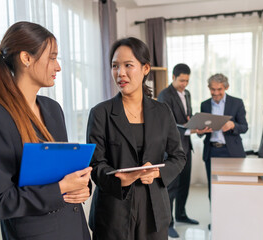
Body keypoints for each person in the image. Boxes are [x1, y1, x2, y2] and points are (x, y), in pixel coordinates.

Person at [0, 21, 92, 240]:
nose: (58, 67)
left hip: (75, 229)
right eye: (53, 57)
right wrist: (61, 188)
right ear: (26, 58)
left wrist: (83, 187)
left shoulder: (53, 109)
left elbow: (60, 171)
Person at [86, 37, 186, 240]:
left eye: (128, 65)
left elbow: (178, 157)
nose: (120, 73)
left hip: (154, 209)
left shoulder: (162, 111)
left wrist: (156, 172)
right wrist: (119, 178)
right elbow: (95, 164)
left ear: (145, 68)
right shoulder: (100, 113)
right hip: (113, 209)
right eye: (115, 66)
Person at [157, 63, 211, 238]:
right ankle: (169, 222)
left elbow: (186, 117)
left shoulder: (186, 94)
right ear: (173, 77)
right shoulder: (164, 95)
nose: (184, 84)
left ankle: (181, 214)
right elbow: (166, 124)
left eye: (187, 81)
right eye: (181, 80)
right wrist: (191, 129)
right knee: (171, 186)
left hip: (186, 146)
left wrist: (195, 123)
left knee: (184, 184)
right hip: (171, 149)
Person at [200, 73, 248, 199]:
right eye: (212, 89)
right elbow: (202, 130)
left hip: (231, 151)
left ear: (226, 87)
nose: (216, 93)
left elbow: (244, 127)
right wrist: (200, 130)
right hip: (212, 151)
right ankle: (215, 218)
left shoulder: (237, 103)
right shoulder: (204, 105)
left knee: (234, 187)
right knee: (213, 188)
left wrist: (233, 125)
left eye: (219, 89)